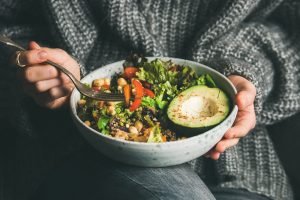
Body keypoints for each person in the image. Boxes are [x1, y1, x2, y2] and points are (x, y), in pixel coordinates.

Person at [0, 0, 299, 199]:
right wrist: (37, 68)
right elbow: (10, 20)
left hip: (241, 166)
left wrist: (246, 74)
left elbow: (290, 29)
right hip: (79, 148)